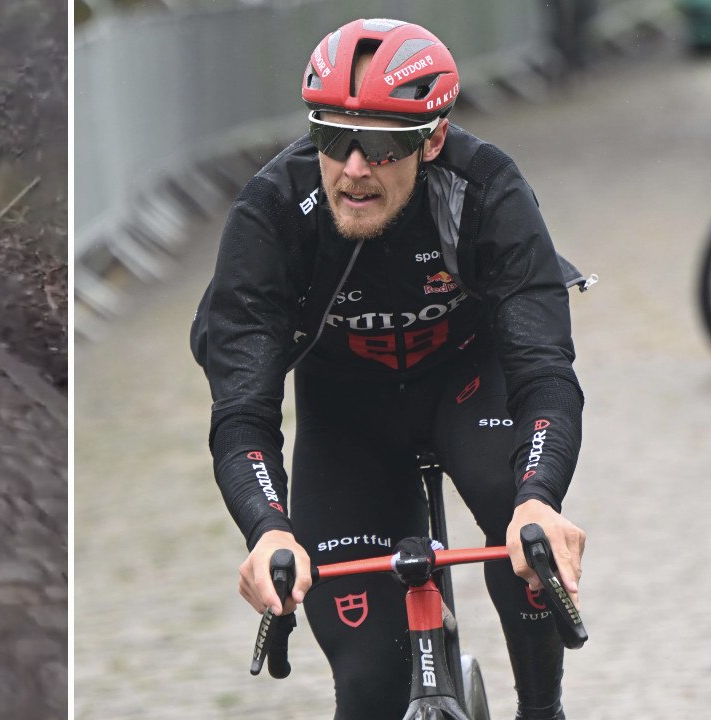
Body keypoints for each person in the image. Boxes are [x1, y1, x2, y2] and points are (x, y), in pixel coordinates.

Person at [189, 18, 591, 720]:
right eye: (331, 136)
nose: (352, 167)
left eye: (378, 143)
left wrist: (542, 496)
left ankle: (541, 710)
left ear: (431, 139)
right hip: (346, 412)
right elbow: (243, 412)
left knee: (517, 518)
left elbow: (544, 370)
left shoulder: (485, 189)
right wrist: (267, 528)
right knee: (371, 686)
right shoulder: (274, 211)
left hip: (468, 383)